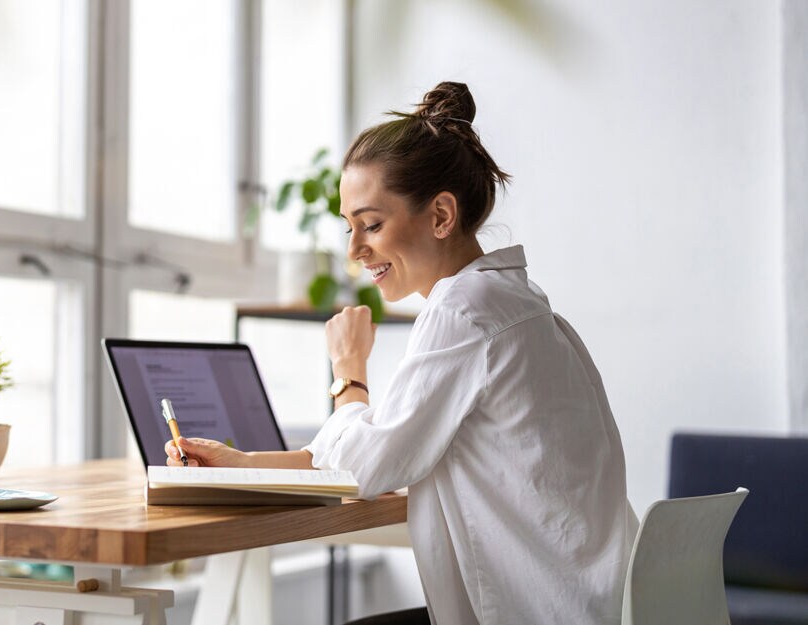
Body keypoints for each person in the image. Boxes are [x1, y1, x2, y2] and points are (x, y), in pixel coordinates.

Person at [164, 82, 638, 625]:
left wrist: (348, 371)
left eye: (371, 224)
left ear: (440, 216)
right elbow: (378, 446)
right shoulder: (514, 302)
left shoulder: (462, 311)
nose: (354, 249)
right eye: (348, 227)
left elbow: (366, 466)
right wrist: (244, 466)